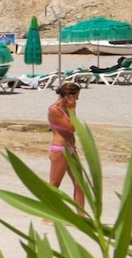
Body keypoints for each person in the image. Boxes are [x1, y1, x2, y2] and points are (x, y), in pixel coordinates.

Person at [47, 82, 86, 213]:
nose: (77, 100)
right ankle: (48, 214)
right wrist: (73, 109)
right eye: (76, 97)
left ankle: (81, 216)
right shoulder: (55, 110)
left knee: (80, 183)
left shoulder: (66, 108)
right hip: (60, 150)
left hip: (71, 149)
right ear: (69, 96)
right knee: (55, 184)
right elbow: (72, 127)